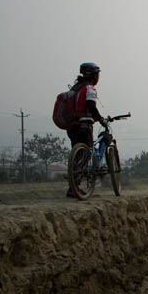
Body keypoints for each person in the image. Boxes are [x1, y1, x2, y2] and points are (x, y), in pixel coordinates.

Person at [65, 62, 104, 198]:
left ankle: (72, 188)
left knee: (78, 155)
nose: (98, 78)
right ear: (93, 76)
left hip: (72, 126)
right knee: (86, 155)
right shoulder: (89, 88)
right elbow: (91, 106)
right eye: (97, 75)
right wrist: (101, 119)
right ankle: (75, 187)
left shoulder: (76, 87)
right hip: (84, 126)